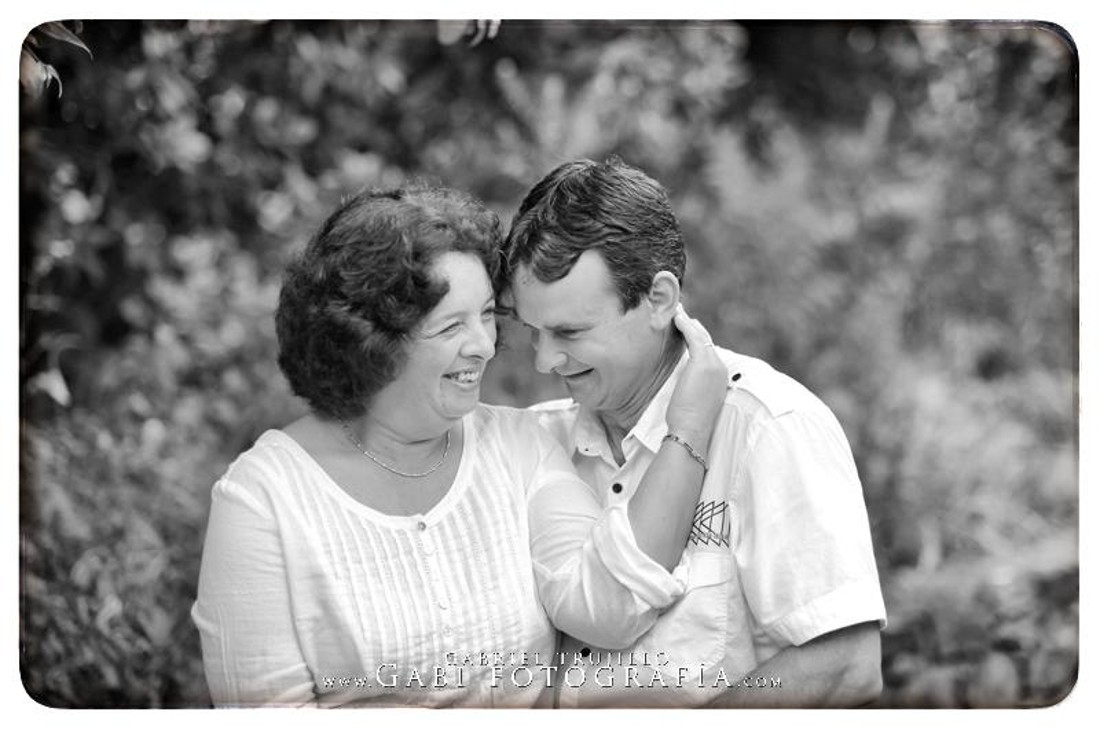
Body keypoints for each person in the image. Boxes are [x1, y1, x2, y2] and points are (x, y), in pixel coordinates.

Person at [190, 184, 728, 708]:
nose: (486, 346)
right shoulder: (262, 500)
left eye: (489, 315)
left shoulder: (519, 446)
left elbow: (609, 605)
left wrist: (686, 428)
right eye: (452, 326)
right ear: (373, 340)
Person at [499, 157, 887, 708]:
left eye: (569, 332)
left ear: (658, 299)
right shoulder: (538, 441)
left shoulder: (768, 427)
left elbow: (847, 665)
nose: (543, 361)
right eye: (533, 331)